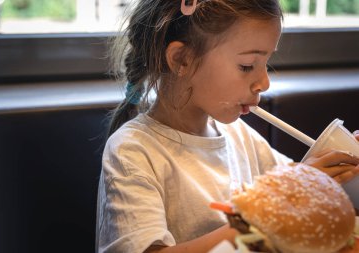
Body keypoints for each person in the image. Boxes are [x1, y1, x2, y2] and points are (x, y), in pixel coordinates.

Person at [96, 0, 359, 252]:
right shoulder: (133, 152)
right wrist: (260, 217)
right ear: (181, 60)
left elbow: (296, 188)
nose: (264, 83)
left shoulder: (240, 136)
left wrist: (344, 170)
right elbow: (285, 197)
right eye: (247, 66)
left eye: (265, 63)